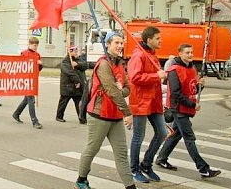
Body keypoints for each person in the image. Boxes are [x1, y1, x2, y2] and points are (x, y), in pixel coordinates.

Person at [75, 32, 134, 189]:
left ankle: (130, 186)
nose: (120, 46)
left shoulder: (120, 64)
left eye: (122, 43)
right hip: (99, 114)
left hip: (115, 116)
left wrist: (122, 90)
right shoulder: (103, 64)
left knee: (121, 155)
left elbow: (128, 88)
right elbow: (110, 90)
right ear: (107, 44)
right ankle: (81, 180)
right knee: (92, 148)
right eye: (116, 43)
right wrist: (127, 112)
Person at [155, 44, 221, 178]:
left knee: (176, 134)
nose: (190, 55)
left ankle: (161, 159)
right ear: (180, 54)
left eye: (191, 52)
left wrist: (200, 86)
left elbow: (192, 89)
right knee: (189, 137)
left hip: (185, 108)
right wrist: (192, 104)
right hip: (178, 109)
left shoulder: (192, 68)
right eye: (187, 52)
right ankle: (203, 168)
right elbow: (175, 93)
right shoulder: (174, 70)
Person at [128, 26, 167, 183]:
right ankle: (134, 169)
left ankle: (146, 164)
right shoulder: (139, 55)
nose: (160, 40)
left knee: (162, 132)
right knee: (138, 136)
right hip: (141, 101)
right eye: (158, 38)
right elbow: (135, 77)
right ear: (149, 39)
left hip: (154, 101)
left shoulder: (152, 55)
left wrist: (160, 78)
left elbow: (154, 77)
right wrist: (156, 76)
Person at [12, 37, 43, 129]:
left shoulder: (38, 54)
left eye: (37, 45)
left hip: (34, 79)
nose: (35, 47)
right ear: (29, 44)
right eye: (34, 45)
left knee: (27, 99)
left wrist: (40, 64)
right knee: (31, 100)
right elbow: (20, 66)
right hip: (26, 80)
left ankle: (16, 113)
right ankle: (34, 121)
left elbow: (39, 69)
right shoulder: (24, 53)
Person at [56, 45, 87, 124]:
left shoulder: (78, 59)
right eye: (75, 51)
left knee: (79, 103)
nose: (77, 52)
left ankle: (82, 119)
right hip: (68, 86)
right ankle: (59, 116)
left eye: (77, 50)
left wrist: (77, 64)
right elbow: (70, 73)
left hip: (78, 87)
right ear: (70, 52)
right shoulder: (65, 61)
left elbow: (85, 66)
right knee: (63, 103)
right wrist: (77, 81)